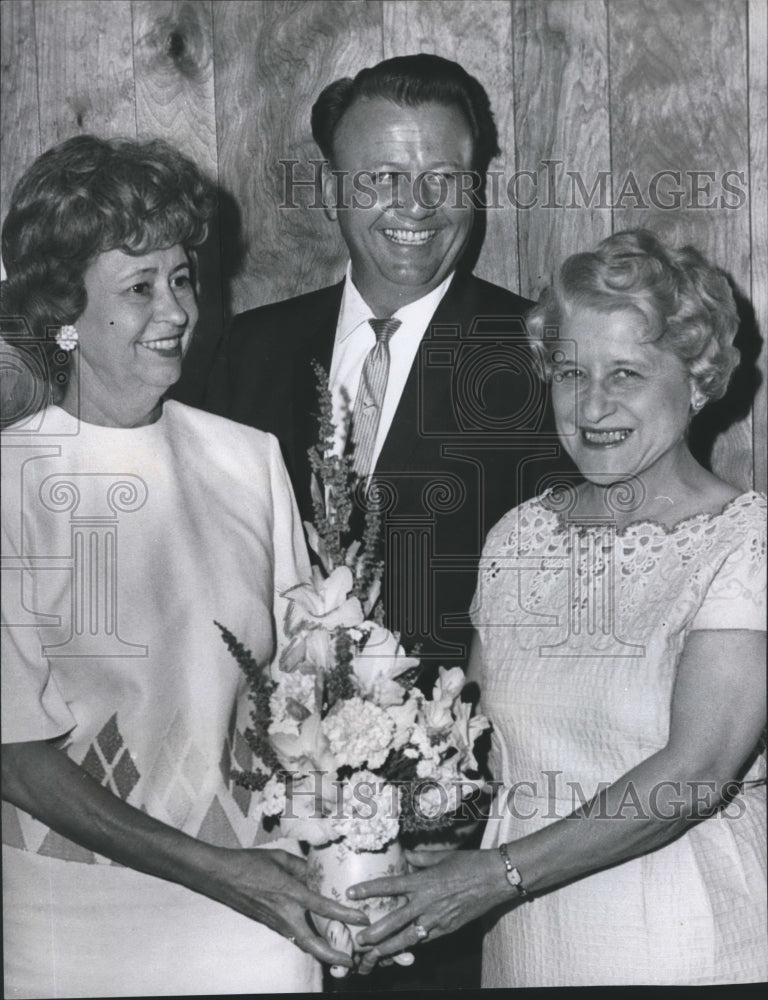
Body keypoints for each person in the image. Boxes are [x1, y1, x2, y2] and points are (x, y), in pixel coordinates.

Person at [0, 134, 368, 998]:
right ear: (64, 310)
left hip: (261, 914)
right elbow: (16, 756)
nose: (175, 309)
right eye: (138, 287)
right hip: (75, 923)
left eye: (182, 277)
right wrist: (216, 870)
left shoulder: (249, 458)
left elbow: (305, 692)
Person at [347, 229, 767, 986]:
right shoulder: (519, 537)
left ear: (699, 381)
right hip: (528, 957)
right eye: (570, 372)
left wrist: (491, 876)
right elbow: (479, 752)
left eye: (627, 373)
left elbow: (692, 774)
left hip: (696, 957)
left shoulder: (747, 542)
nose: (592, 404)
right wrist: (410, 842)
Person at [205, 53, 572, 677]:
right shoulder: (250, 348)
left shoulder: (544, 354)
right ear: (330, 190)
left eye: (444, 178)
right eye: (383, 176)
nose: (418, 206)